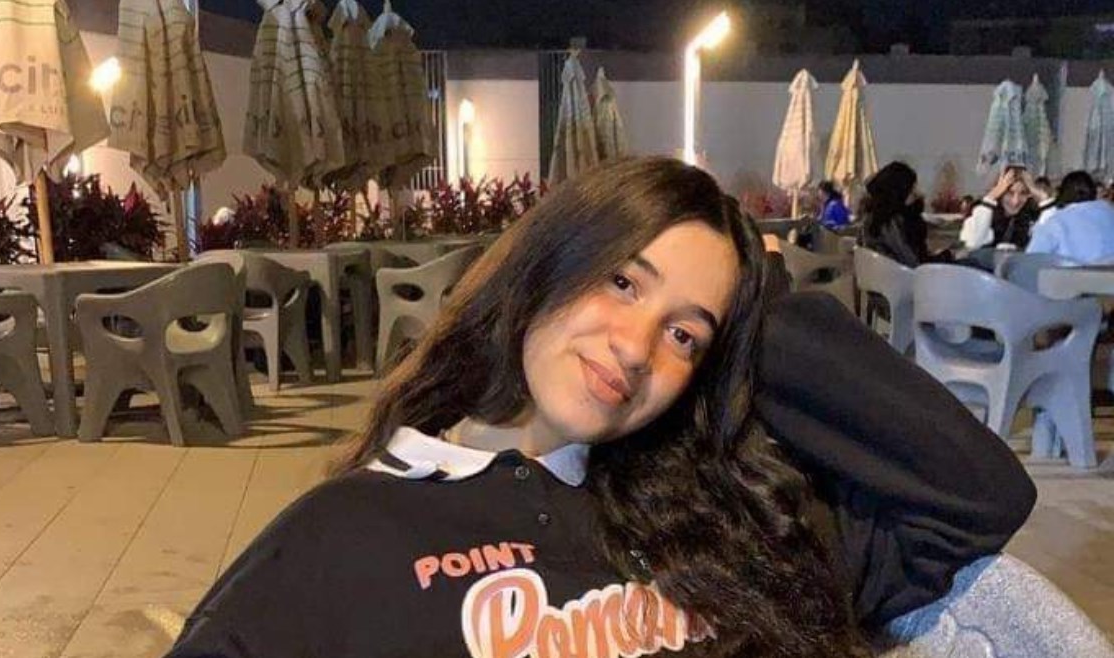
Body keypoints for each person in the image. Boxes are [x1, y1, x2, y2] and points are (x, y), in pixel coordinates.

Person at [165, 157, 1035, 658]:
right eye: (621, 283)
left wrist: (762, 316)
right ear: (545, 265)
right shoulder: (353, 529)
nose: (634, 347)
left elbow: (977, 498)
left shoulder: (727, 510)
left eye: (684, 334)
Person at [858, 161, 952, 268]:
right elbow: (912, 263)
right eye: (912, 188)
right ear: (900, 191)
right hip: (906, 276)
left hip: (887, 274)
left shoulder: (872, 218)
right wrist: (946, 256)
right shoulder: (890, 223)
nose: (917, 193)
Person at [1027, 171, 1114, 263]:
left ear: (1062, 194)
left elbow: (1030, 261)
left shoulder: (1055, 222)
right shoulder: (1110, 212)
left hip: (1073, 272)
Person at [959, 167, 1055, 250]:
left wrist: (1043, 197)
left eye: (1023, 193)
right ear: (999, 192)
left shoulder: (1032, 215)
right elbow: (973, 243)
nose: (1015, 201)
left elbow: (1051, 242)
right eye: (1009, 193)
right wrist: (991, 197)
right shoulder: (982, 211)